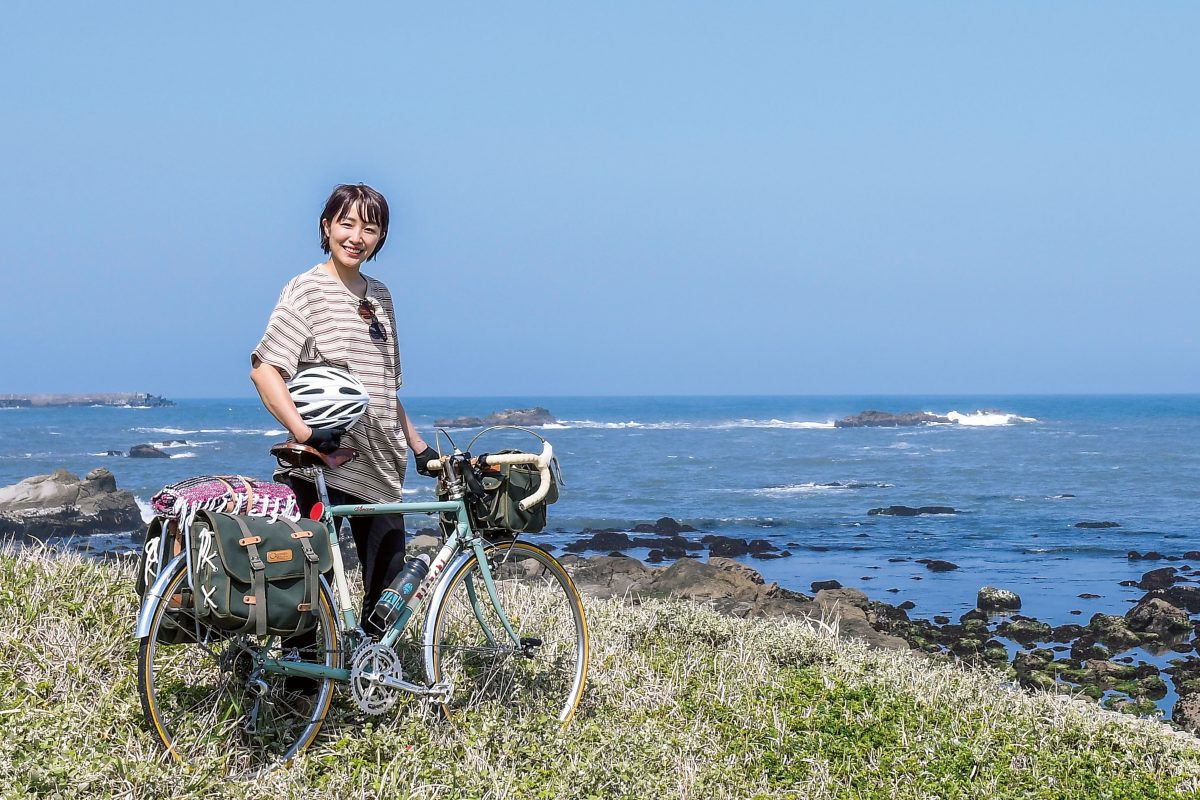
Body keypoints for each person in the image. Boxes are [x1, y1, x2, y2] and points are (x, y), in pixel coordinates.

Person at [250, 183, 438, 635]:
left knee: (386, 599)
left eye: (369, 228)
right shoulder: (306, 291)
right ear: (327, 226)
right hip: (323, 465)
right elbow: (264, 369)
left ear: (381, 237)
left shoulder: (381, 298)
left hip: (381, 469)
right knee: (312, 597)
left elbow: (387, 390)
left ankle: (367, 686)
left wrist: (420, 449)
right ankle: (301, 699)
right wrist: (304, 432)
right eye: (347, 224)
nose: (356, 236)